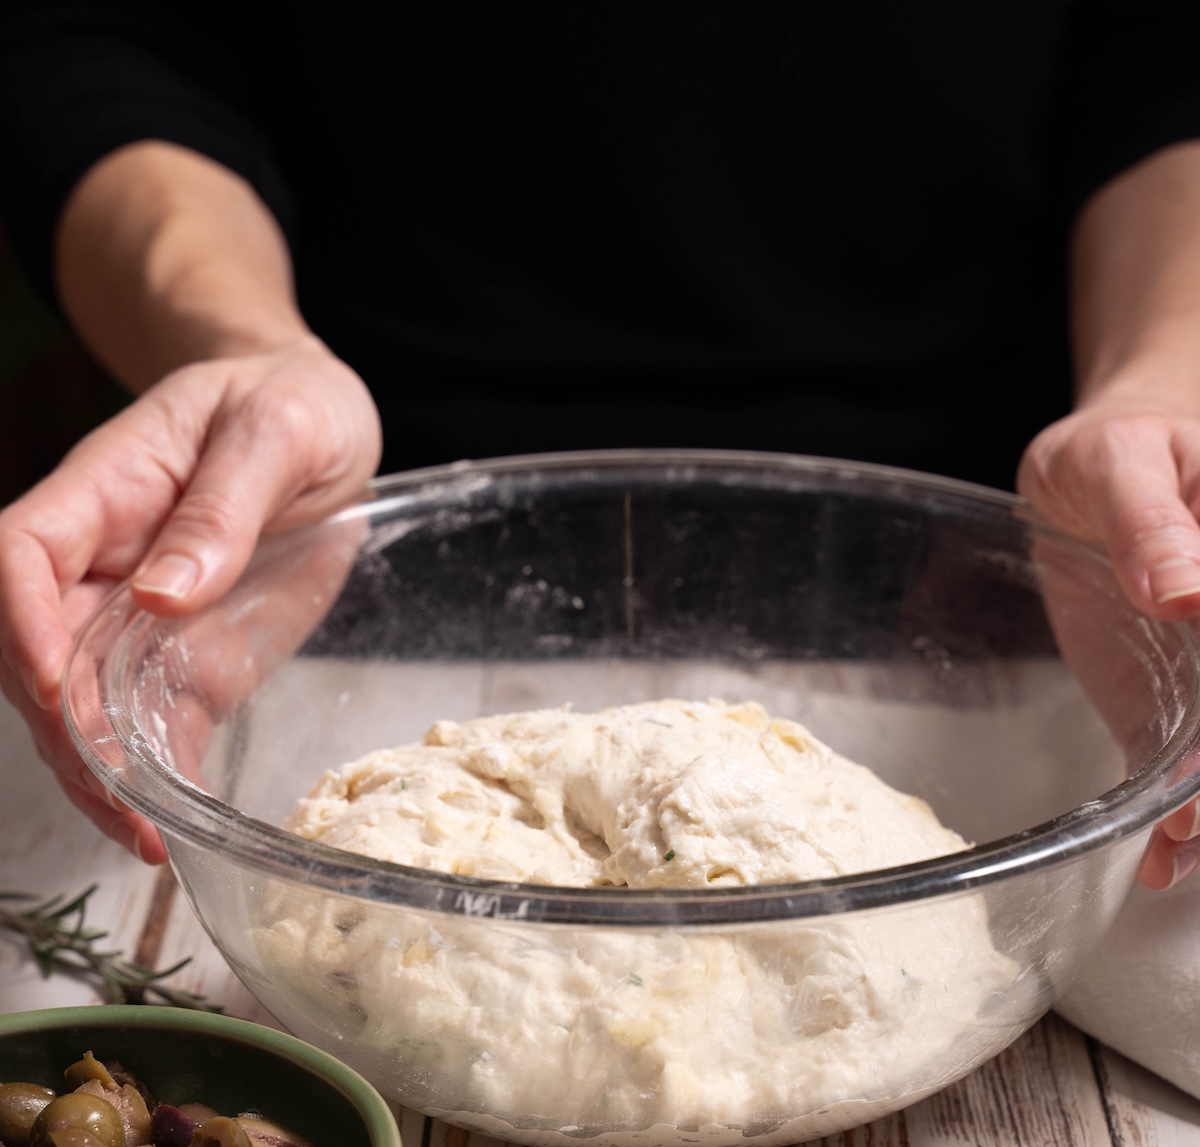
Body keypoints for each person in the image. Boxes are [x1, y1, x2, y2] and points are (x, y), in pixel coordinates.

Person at [0, 4, 1199, 886]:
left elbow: (1162, 61)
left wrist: (1155, 389)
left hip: (1009, 587)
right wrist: (249, 348)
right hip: (334, 552)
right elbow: (104, 32)